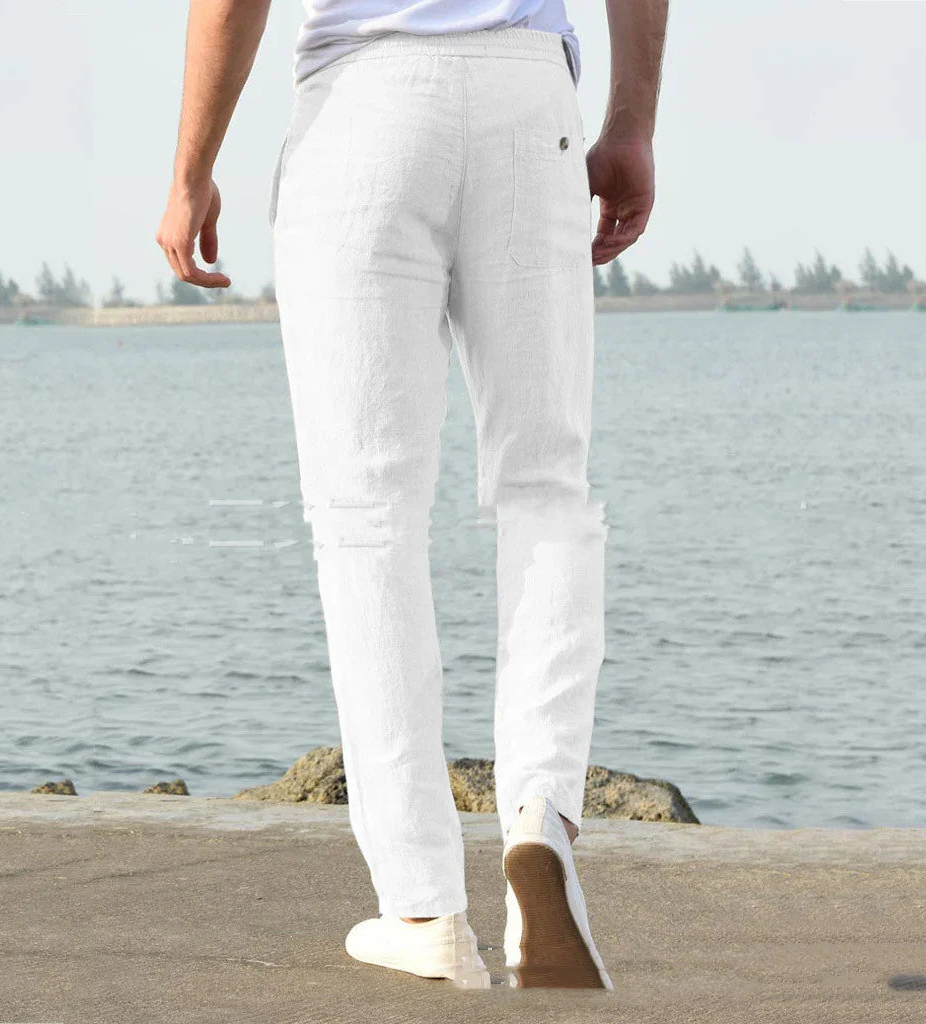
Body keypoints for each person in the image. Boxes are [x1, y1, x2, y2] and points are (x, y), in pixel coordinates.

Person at [157, 0, 668, 990]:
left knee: (367, 520)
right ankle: (540, 809)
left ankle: (424, 907)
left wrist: (190, 171)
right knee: (545, 489)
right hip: (528, 97)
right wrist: (632, 123)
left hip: (363, 104)